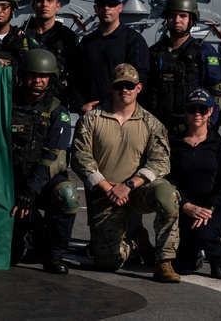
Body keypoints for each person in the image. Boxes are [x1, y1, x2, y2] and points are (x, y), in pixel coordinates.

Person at [71, 63, 181, 283]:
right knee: (107, 262)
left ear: (139, 87)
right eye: (119, 85)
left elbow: (161, 162)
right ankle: (137, 243)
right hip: (106, 193)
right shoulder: (91, 119)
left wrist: (129, 185)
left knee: (167, 195)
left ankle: (164, 262)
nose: (125, 90)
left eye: (130, 85)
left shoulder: (151, 123)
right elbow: (80, 157)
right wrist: (107, 187)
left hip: (137, 190)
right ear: (111, 88)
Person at [8, 49, 77, 274]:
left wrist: (31, 190)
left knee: (67, 195)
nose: (37, 80)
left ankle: (55, 256)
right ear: (23, 75)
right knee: (12, 256)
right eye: (32, 75)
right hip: (8, 178)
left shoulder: (57, 112)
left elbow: (54, 157)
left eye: (43, 76)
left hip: (40, 180)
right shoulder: (6, 102)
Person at [166, 88, 221, 279]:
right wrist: (186, 205)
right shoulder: (175, 143)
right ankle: (194, 254)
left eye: (202, 109)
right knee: (183, 267)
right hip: (185, 205)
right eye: (192, 109)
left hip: (213, 207)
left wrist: (210, 207)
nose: (197, 113)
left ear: (210, 112)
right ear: (186, 112)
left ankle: (217, 257)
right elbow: (169, 178)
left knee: (203, 235)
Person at [141, 0, 221, 134]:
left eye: (183, 16)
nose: (177, 20)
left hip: (190, 130)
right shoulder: (154, 52)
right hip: (156, 129)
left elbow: (216, 92)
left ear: (191, 20)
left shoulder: (205, 52)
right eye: (173, 15)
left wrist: (208, 124)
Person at [67, 0, 149, 114]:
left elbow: (141, 79)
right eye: (101, 4)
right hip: (90, 114)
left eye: (111, 4)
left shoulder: (133, 41)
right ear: (95, 9)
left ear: (120, 8)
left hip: (120, 114)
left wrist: (115, 103)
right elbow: (75, 78)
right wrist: (80, 106)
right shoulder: (87, 43)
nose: (106, 8)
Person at [23, 0, 78, 98]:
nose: (45, 5)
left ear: (57, 6)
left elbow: (76, 75)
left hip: (57, 100)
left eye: (49, 0)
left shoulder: (68, 38)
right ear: (33, 6)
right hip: (24, 100)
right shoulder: (21, 36)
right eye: (40, 1)